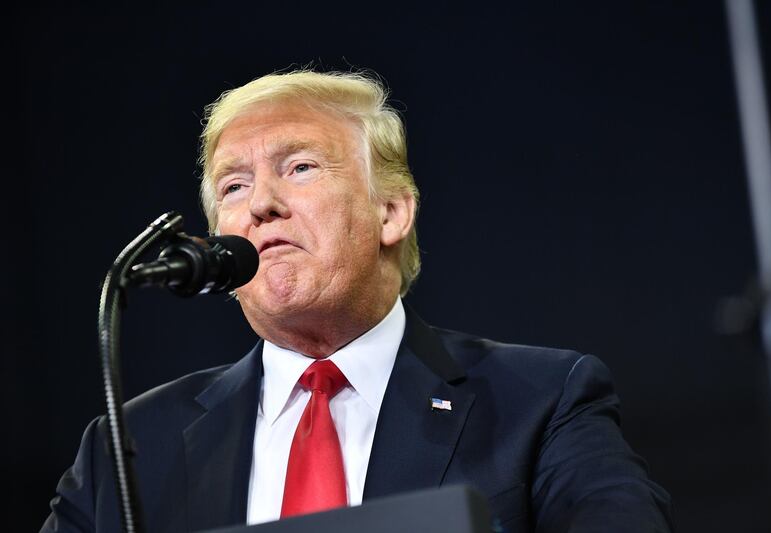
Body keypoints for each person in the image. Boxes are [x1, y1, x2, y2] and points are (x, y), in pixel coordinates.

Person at [42, 70, 674, 533]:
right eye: (234, 185)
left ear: (391, 212)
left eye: (301, 168)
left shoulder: (542, 401)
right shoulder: (126, 448)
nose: (262, 204)